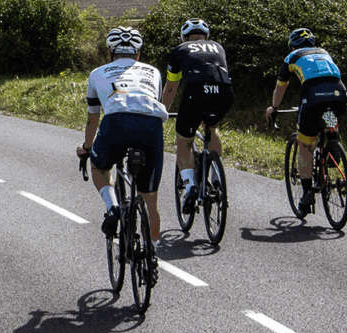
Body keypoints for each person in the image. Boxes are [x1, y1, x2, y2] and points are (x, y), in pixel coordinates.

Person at [76, 26, 168, 242]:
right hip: (150, 125)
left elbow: (93, 119)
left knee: (99, 167)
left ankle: (112, 206)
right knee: (150, 200)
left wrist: (87, 149)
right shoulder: (154, 72)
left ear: (110, 52)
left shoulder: (97, 73)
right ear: (138, 53)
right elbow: (157, 102)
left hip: (116, 122)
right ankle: (152, 255)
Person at [265, 29, 347, 217]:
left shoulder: (291, 57)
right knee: (329, 112)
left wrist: (274, 107)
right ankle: (333, 140)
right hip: (339, 92)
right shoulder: (324, 52)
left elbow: (281, 86)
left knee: (305, 145)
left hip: (313, 95)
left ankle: (306, 194)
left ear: (293, 46)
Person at [161, 18, 233, 204]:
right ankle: (217, 177)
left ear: (185, 37)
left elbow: (171, 87)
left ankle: (191, 185)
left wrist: (162, 111)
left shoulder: (180, 49)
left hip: (196, 92)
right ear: (207, 36)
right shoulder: (218, 47)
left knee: (184, 142)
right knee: (212, 127)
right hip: (224, 92)